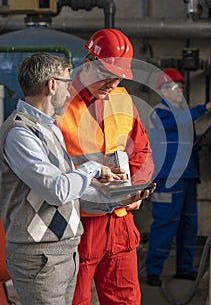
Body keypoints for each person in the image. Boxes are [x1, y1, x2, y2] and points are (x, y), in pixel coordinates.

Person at [0, 52, 150, 305]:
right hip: (40, 251)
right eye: (68, 82)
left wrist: (119, 198)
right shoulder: (20, 133)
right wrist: (92, 168)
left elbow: (72, 185)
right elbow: (56, 190)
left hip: (64, 246)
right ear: (52, 85)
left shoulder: (49, 128)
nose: (71, 89)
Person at [57, 28, 154, 305]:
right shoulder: (59, 104)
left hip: (120, 221)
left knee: (126, 300)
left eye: (119, 77)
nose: (112, 83)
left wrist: (134, 191)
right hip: (78, 224)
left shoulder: (122, 100)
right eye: (106, 75)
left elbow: (142, 152)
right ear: (88, 65)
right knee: (74, 300)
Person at [146, 68, 211, 286]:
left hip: (187, 177)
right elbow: (175, 123)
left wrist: (199, 143)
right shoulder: (159, 113)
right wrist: (204, 108)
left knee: (189, 224)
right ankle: (153, 270)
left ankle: (185, 268)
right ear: (162, 91)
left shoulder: (181, 115)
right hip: (168, 179)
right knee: (165, 224)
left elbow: (183, 143)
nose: (178, 91)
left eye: (180, 87)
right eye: (173, 87)